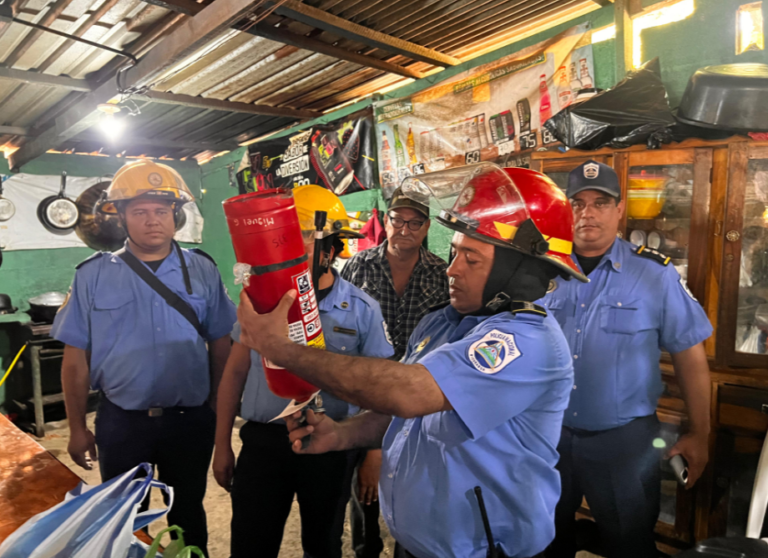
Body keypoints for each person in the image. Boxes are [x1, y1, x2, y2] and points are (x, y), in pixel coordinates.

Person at [233, 164, 589, 558]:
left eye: (470, 259)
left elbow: (410, 393)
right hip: (419, 545)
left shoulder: (528, 341)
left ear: (518, 272)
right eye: (454, 253)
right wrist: (342, 434)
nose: (451, 269)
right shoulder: (443, 322)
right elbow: (405, 418)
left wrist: (282, 350)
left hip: (484, 550)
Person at [52, 160, 237, 555]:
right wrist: (76, 428)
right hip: (122, 422)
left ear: (176, 214)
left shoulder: (202, 270)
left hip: (190, 420)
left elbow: (222, 343)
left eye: (161, 211)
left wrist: (215, 407)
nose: (152, 221)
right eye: (139, 212)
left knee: (188, 512)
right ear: (121, 216)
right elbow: (74, 360)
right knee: (121, 520)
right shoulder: (92, 274)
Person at [541, 161, 713, 558]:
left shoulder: (654, 274)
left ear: (620, 210)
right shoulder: (541, 270)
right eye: (578, 203)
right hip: (547, 437)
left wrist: (701, 432)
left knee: (630, 544)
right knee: (543, 540)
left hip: (625, 444)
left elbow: (689, 354)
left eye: (600, 202)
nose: (588, 213)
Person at [212, 185, 394, 558]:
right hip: (263, 444)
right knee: (250, 543)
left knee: (323, 545)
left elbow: (380, 388)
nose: (285, 253)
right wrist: (221, 447)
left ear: (333, 248)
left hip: (330, 447)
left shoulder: (362, 310)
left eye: (301, 242)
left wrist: (372, 454)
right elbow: (233, 374)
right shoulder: (259, 305)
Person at [340, 187, 449, 558]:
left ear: (426, 227)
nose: (405, 228)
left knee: (415, 485)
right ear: (385, 222)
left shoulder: (442, 274)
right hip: (367, 391)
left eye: (414, 222)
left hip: (420, 398)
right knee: (364, 489)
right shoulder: (359, 266)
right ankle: (365, 549)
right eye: (397, 220)